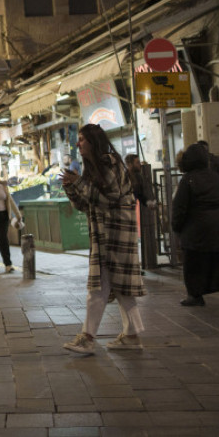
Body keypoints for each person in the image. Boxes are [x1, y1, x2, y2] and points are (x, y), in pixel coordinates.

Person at [60, 123, 145, 354]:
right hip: (105, 234)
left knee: (99, 288)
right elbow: (86, 205)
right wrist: (71, 187)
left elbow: (110, 198)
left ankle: (87, 337)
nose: (78, 144)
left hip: (115, 234)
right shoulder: (94, 168)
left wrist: (79, 183)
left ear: (93, 142)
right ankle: (132, 335)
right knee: (119, 287)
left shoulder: (108, 162)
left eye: (82, 140)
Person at [171, 144, 219, 306]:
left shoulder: (187, 180)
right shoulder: (216, 177)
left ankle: (196, 295)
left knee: (195, 263)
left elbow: (180, 208)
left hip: (196, 231)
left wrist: (177, 226)